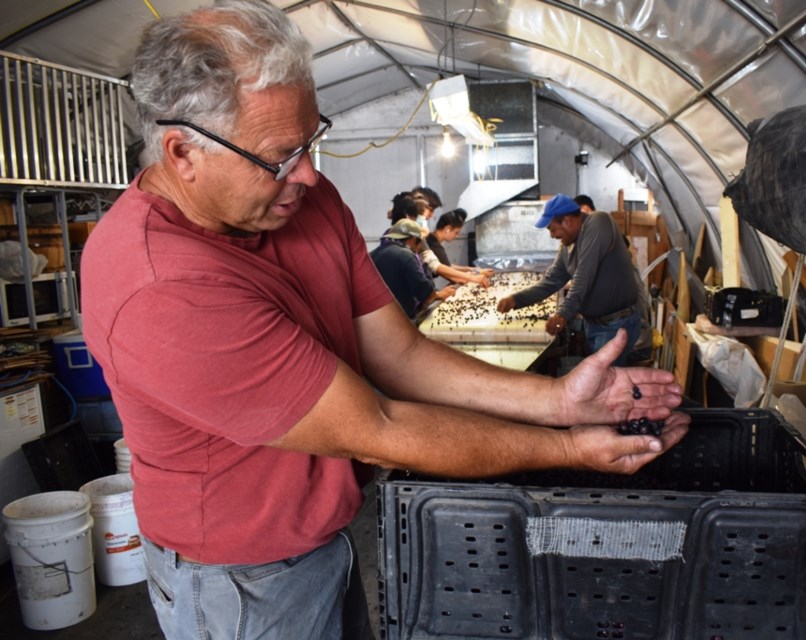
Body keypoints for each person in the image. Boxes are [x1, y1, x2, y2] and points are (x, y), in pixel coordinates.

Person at [80, 2, 689, 638]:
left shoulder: (302, 204)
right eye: (282, 155)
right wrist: (568, 448)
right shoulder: (161, 286)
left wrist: (560, 400)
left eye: (311, 139)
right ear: (181, 152)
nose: (310, 174)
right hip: (238, 578)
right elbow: (379, 424)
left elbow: (397, 355)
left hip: (326, 536)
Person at [497, 193, 647, 367]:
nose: (553, 236)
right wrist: (515, 300)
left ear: (567, 221)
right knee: (599, 381)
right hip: (593, 326)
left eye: (553, 229)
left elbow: (583, 275)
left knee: (604, 385)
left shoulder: (598, 223)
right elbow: (550, 282)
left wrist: (563, 314)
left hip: (615, 326)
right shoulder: (567, 247)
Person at [386, 194, 490, 288]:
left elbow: (434, 263)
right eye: (424, 218)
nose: (425, 224)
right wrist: (473, 276)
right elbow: (438, 267)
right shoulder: (396, 242)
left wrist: (472, 271)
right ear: (408, 217)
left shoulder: (410, 239)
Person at [371, 219, 456, 319]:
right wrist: (439, 294)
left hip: (378, 318)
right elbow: (425, 293)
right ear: (413, 239)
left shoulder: (373, 254)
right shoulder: (406, 254)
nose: (419, 246)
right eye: (420, 242)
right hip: (402, 319)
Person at [426, 208, 494, 278]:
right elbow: (450, 272)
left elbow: (448, 265)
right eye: (456, 232)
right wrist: (479, 272)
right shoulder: (434, 246)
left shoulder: (430, 239)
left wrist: (470, 269)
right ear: (447, 229)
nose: (456, 236)